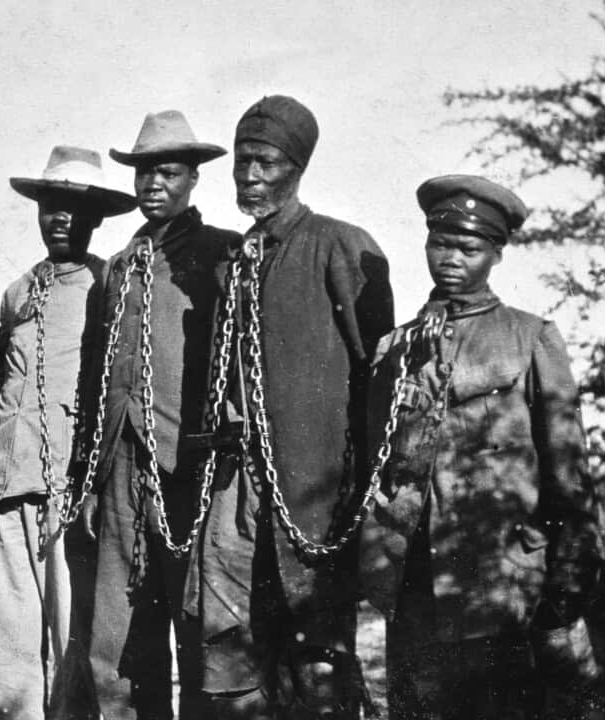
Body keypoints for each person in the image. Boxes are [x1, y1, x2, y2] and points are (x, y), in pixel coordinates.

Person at [359, 174, 603, 720]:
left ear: (495, 254)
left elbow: (570, 473)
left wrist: (566, 588)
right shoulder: (393, 350)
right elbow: (378, 467)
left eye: (469, 249)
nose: (451, 259)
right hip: (415, 591)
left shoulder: (530, 337)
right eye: (440, 244)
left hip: (503, 588)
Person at [189, 95, 395, 718]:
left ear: (295, 168)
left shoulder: (338, 245)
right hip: (233, 489)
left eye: (265, 163)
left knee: (317, 657)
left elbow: (377, 378)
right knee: (229, 645)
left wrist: (362, 490)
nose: (249, 176)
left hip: (313, 491)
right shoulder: (232, 260)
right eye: (241, 163)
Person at [0, 145, 136, 719]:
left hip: (72, 489)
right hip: (8, 487)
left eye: (72, 208)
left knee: (75, 640)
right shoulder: (17, 291)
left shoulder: (109, 284)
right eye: (49, 207)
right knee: (2, 644)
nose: (59, 218)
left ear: (95, 219)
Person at [81, 110, 238, 720]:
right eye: (145, 172)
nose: (153, 185)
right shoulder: (120, 265)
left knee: (195, 615)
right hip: (122, 463)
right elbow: (99, 372)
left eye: (168, 173)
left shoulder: (221, 253)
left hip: (188, 465)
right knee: (119, 631)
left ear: (193, 180)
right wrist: (91, 474)